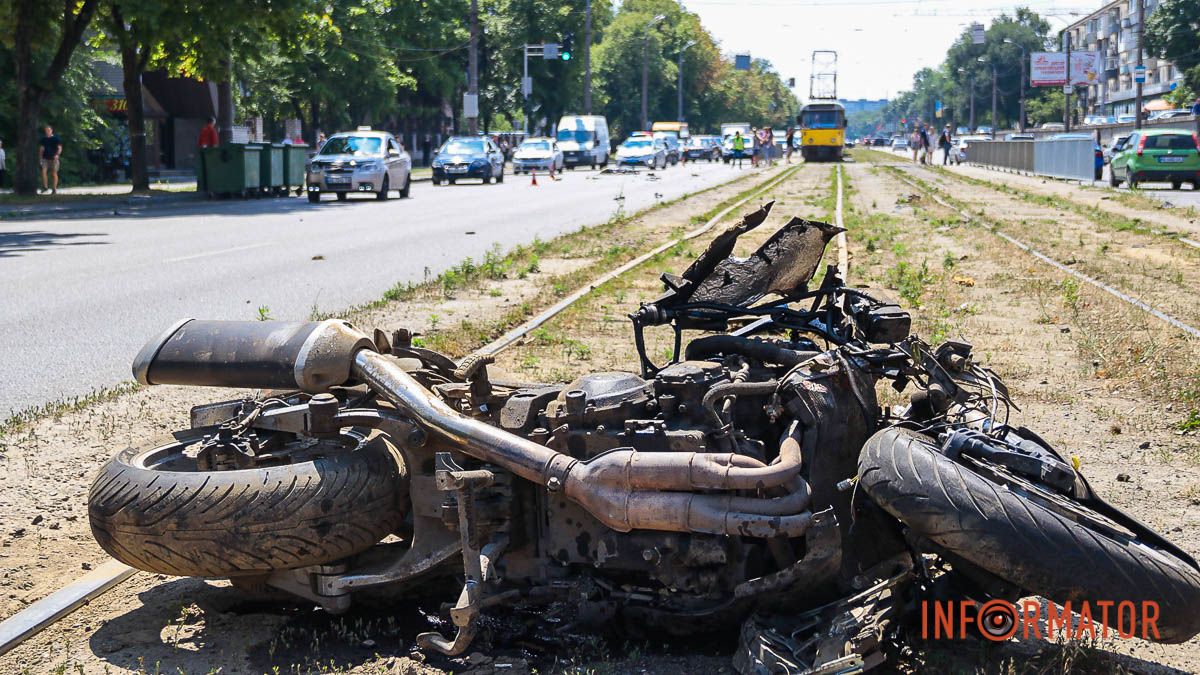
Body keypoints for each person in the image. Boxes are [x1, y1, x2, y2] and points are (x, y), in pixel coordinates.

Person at [40, 125, 62, 194]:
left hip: (54, 159)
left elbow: (60, 148)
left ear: (51, 130)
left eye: (49, 130)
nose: (47, 131)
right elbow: (41, 149)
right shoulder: (43, 139)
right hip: (45, 158)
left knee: (54, 173)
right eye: (46, 130)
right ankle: (45, 187)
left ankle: (54, 188)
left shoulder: (56, 138)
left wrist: (57, 155)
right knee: (43, 172)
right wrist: (40, 157)